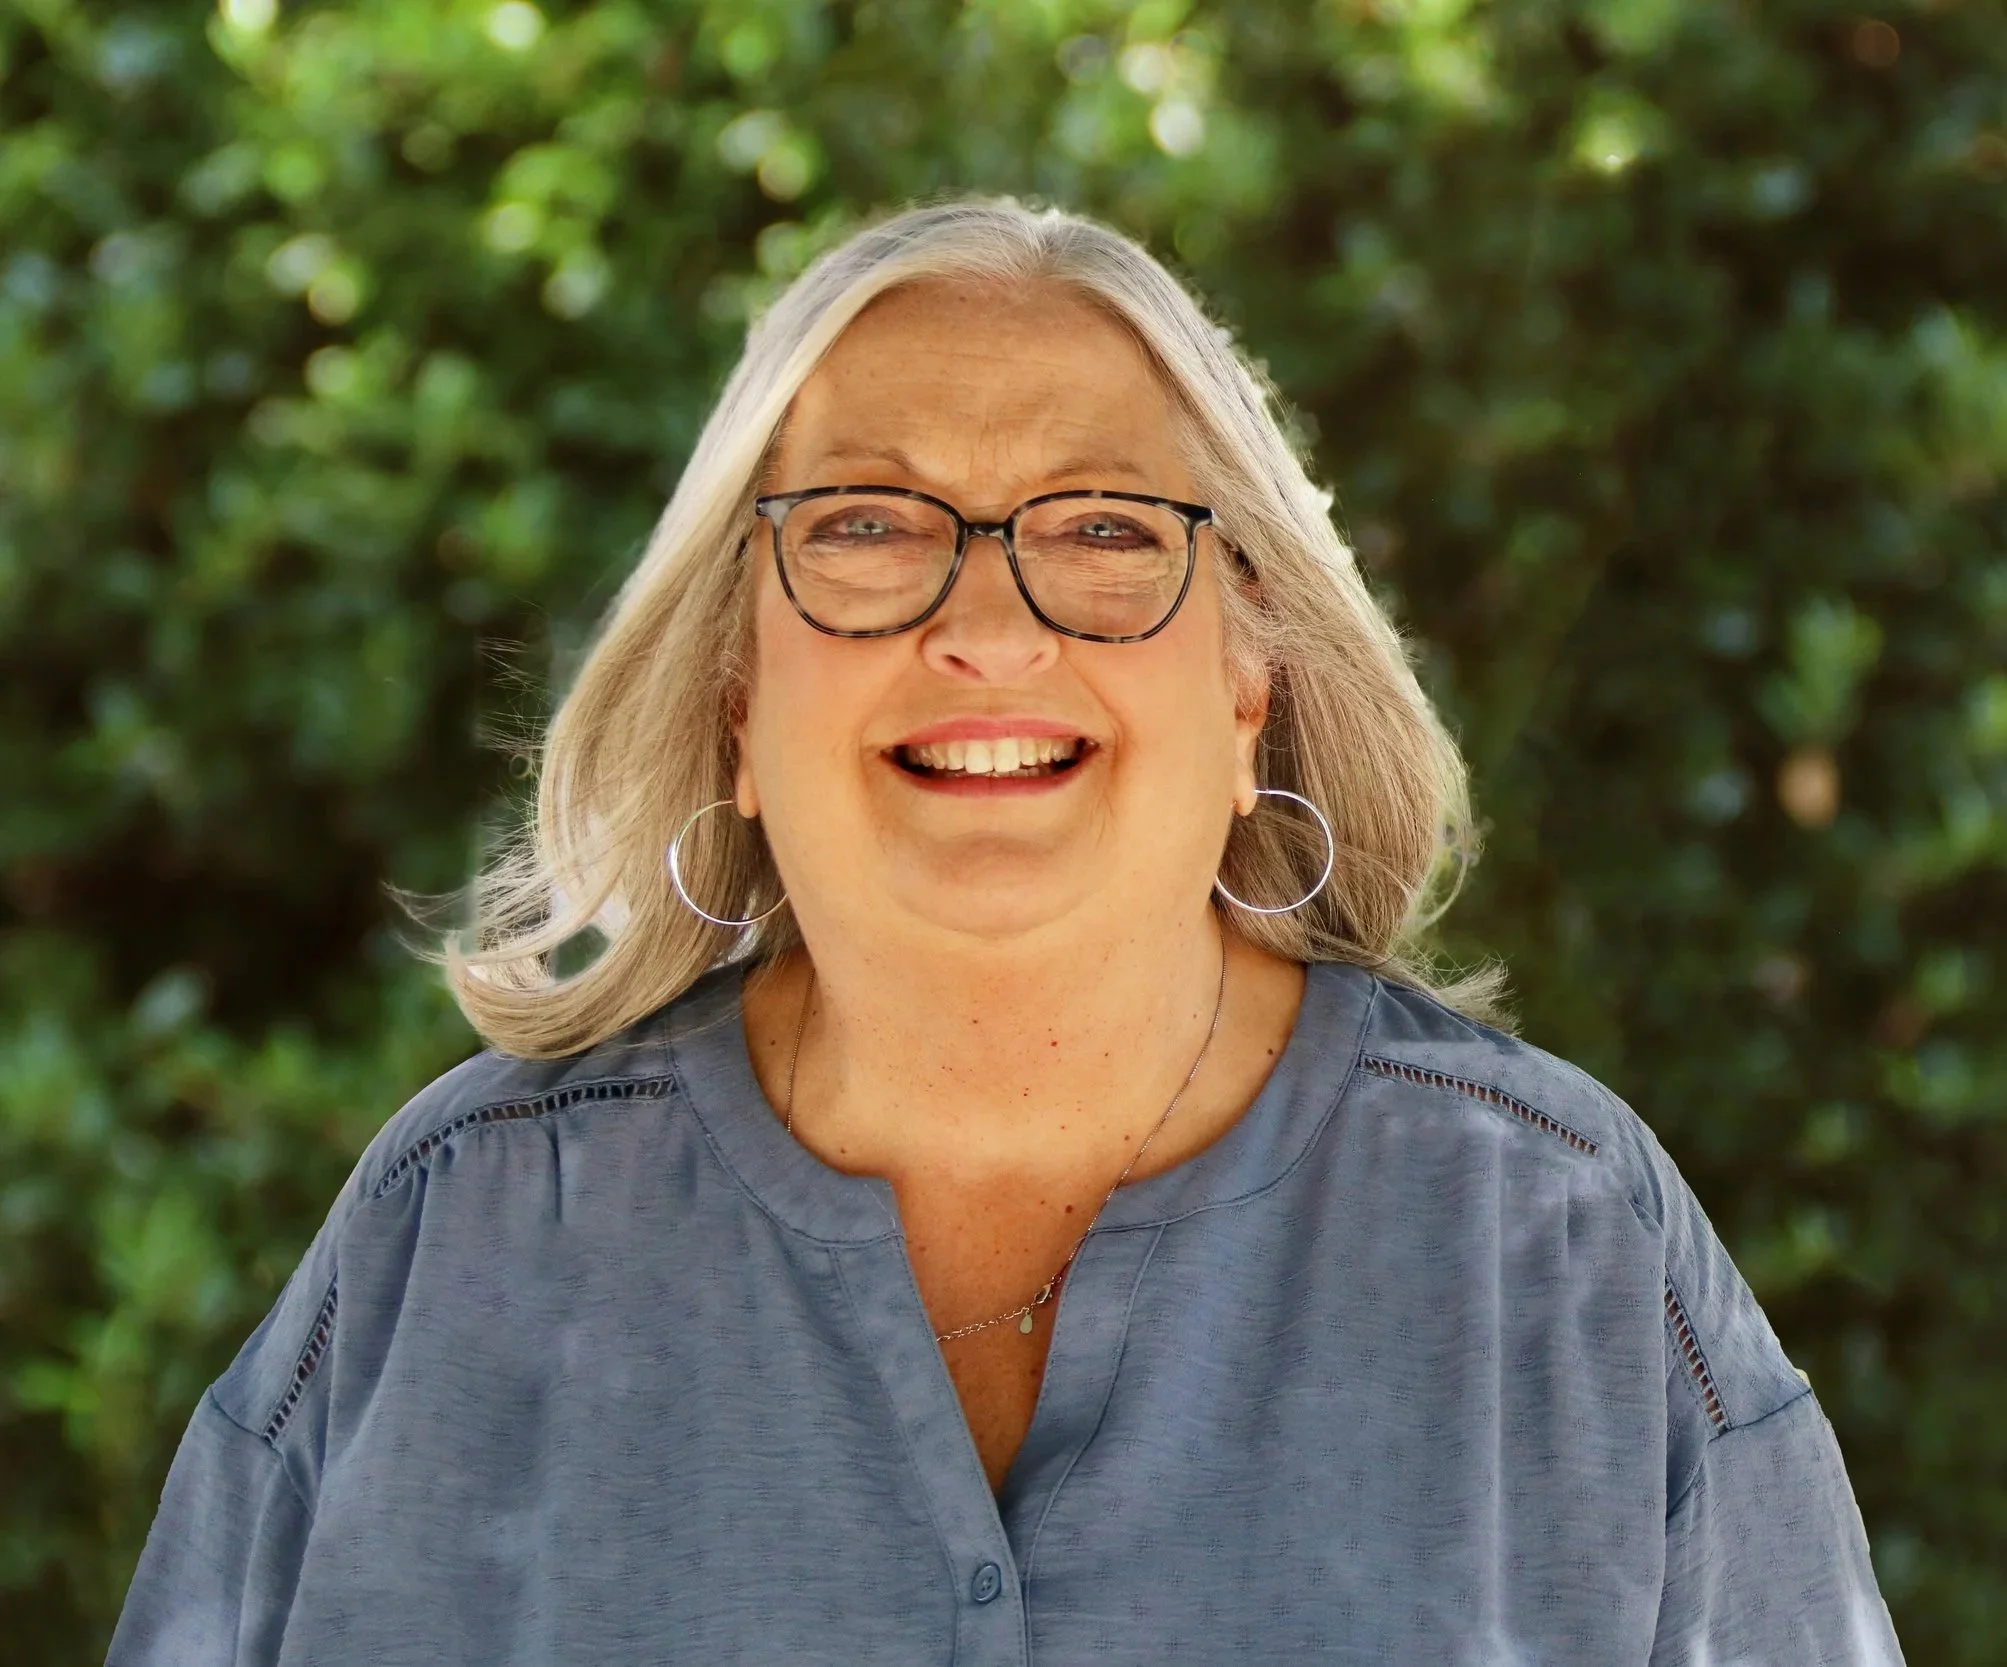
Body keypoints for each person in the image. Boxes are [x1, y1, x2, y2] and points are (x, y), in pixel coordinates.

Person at [109, 198, 1904, 1665]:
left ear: (1247, 677)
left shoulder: (1561, 1247)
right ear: (735, 685)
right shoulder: (462, 1239)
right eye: (871, 525)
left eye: (1107, 529)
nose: (986, 627)